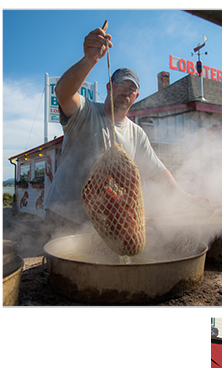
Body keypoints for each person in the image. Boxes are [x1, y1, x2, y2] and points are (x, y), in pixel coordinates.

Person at [44, 23, 206, 239]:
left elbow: (158, 171)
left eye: (132, 89)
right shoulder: (85, 112)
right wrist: (90, 59)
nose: (126, 92)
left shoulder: (137, 133)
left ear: (136, 97)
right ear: (109, 87)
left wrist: (183, 197)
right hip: (63, 217)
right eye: (121, 86)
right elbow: (63, 92)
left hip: (102, 224)